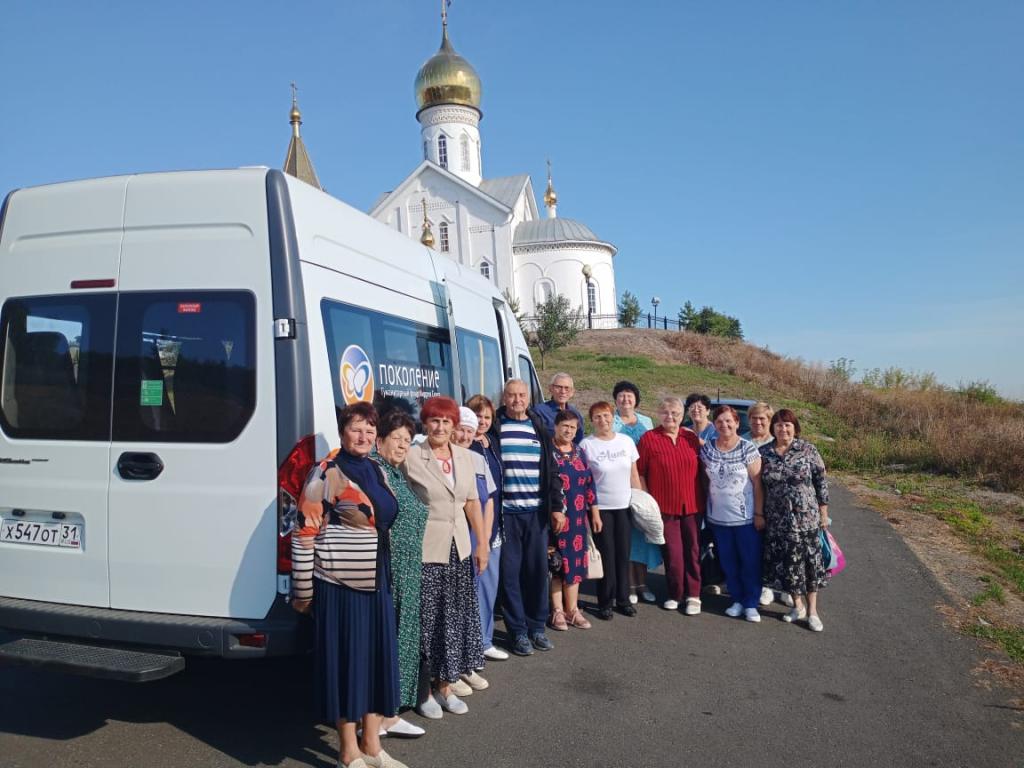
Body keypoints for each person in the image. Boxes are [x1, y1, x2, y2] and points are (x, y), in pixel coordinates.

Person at [292, 402, 409, 768]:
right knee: (348, 666)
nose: (364, 435)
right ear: (343, 431)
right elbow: (303, 533)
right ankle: (348, 751)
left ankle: (372, 746)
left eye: (370, 429)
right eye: (357, 428)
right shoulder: (326, 472)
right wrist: (304, 593)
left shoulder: (376, 468)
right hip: (341, 583)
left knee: (375, 661)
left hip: (376, 580)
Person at [403, 397, 488, 718]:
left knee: (454, 620)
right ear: (425, 424)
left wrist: (481, 545)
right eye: (434, 421)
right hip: (427, 551)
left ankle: (446, 686)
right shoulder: (411, 456)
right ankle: (422, 691)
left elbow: (471, 503)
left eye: (446, 422)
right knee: (428, 622)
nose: (440, 427)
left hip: (460, 549)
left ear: (455, 426)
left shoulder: (467, 458)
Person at [494, 378, 564, 656]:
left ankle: (537, 627)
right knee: (510, 575)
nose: (517, 400)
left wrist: (557, 506)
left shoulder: (540, 428)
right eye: (511, 395)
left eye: (522, 395)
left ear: (529, 397)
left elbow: (553, 473)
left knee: (536, 573)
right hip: (506, 514)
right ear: (504, 398)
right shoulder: (495, 429)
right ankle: (518, 632)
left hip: (536, 514)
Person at [372, 411, 429, 739]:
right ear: (380, 440)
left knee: (402, 638)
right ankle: (381, 714)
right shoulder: (377, 471)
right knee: (391, 640)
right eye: (397, 438)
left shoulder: (395, 472)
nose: (403, 445)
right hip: (391, 569)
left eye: (408, 440)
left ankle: (390, 713)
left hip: (408, 569)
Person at [760, 409, 831, 632]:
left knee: (810, 566)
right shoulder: (764, 453)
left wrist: (823, 513)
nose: (783, 429)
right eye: (779, 425)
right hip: (777, 520)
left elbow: (821, 483)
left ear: (795, 428)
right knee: (788, 565)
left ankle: (812, 612)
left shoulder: (808, 450)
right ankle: (797, 606)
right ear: (773, 429)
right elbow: (759, 486)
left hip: (806, 519)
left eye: (787, 425)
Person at [637, 397, 705, 615]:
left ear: (682, 415)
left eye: (675, 413)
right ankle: (676, 593)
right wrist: (647, 499)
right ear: (659, 414)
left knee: (693, 551)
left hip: (693, 505)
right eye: (666, 412)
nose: (670, 417)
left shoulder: (691, 437)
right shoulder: (649, 438)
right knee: (673, 554)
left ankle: (694, 595)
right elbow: (640, 472)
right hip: (664, 506)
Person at [702, 405, 765, 623]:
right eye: (719, 421)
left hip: (745, 517)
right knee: (728, 561)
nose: (724, 425)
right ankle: (737, 599)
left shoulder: (747, 448)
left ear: (737, 423)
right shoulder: (708, 448)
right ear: (714, 424)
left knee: (750, 561)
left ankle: (751, 603)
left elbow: (757, 483)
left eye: (729, 421)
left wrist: (759, 513)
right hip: (718, 517)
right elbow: (703, 479)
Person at [450, 406, 496, 692]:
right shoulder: (446, 460)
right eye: (461, 429)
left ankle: (467, 663)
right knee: (452, 607)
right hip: (452, 542)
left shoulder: (478, 459)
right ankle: (450, 671)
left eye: (470, 429)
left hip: (474, 541)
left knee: (469, 605)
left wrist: (484, 539)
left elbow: (487, 500)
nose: (466, 434)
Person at [581, 401, 642, 620]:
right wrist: (593, 512)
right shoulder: (586, 445)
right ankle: (605, 602)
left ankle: (623, 599)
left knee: (623, 554)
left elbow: (634, 474)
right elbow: (586, 482)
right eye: (597, 417)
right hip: (601, 508)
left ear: (612, 417)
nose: (603, 420)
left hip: (624, 506)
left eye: (606, 416)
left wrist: (640, 500)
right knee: (606, 555)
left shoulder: (625, 442)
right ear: (592, 420)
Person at [466, 394, 509, 661]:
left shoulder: (492, 442)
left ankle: (485, 639)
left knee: (489, 586)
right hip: (473, 527)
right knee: (471, 587)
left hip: (495, 525)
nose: (482, 421)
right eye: (477, 416)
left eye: (486, 417)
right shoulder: (464, 445)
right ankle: (471, 645)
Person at [548, 409, 600, 630]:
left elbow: (590, 484)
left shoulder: (579, 452)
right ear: (556, 426)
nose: (568, 431)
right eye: (565, 426)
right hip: (555, 519)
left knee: (576, 565)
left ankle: (573, 610)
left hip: (578, 520)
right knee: (557, 564)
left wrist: (594, 513)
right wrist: (552, 511)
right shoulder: (548, 451)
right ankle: (557, 611)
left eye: (573, 427)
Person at [611, 380, 660, 605]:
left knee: (643, 535)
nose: (625, 400)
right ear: (616, 400)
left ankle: (643, 583)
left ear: (636, 400)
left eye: (629, 396)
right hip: (620, 486)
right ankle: (629, 584)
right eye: (621, 396)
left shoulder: (646, 421)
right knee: (627, 537)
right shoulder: (611, 421)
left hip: (645, 485)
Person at [746, 402, 793, 609]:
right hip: (750, 502)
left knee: (784, 547)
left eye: (762, 418)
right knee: (760, 547)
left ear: (770, 421)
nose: (758, 422)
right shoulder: (743, 440)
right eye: (754, 418)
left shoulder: (778, 442)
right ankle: (765, 586)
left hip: (779, 503)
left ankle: (785, 588)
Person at [534, 372, 585, 444]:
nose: (563, 391)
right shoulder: (539, 411)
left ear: (572, 392)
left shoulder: (576, 414)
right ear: (550, 389)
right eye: (558, 387)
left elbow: (579, 442)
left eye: (567, 388)